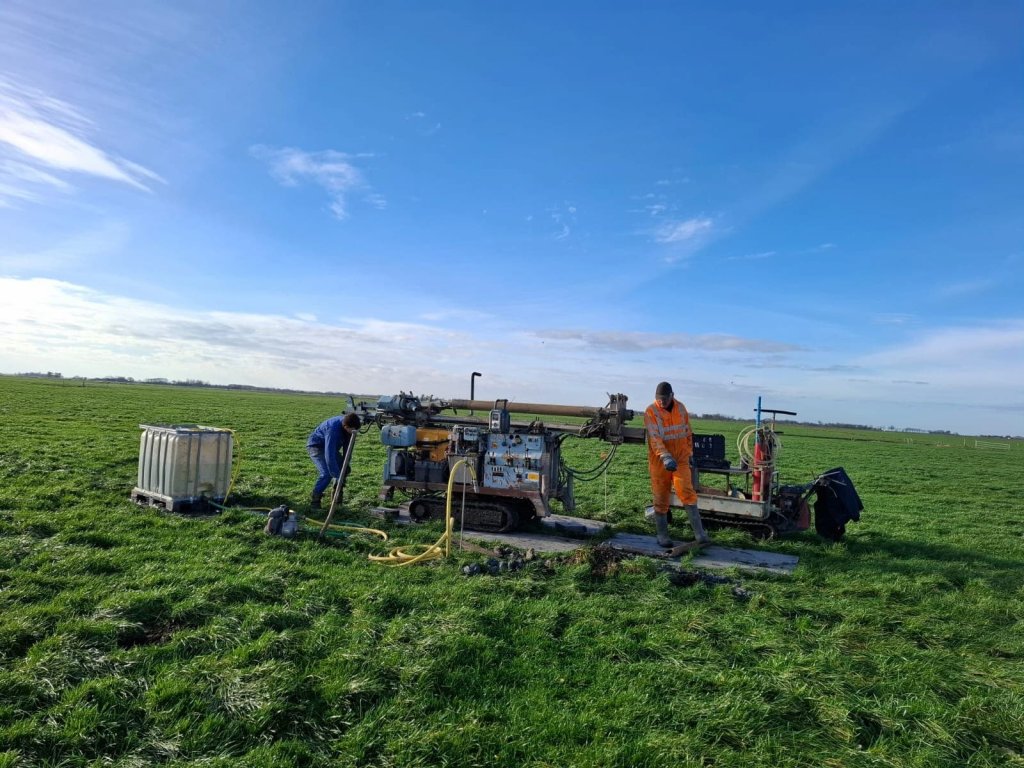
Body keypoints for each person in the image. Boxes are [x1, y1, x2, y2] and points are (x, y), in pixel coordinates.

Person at [644, 381, 710, 547]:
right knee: (660, 496)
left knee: (687, 491)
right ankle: (662, 536)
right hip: (660, 461)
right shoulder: (651, 411)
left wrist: (689, 454)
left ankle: (700, 535)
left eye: (664, 399)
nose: (662, 402)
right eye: (659, 399)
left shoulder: (681, 408)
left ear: (672, 396)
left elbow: (687, 432)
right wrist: (665, 456)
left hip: (680, 459)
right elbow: (654, 438)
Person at [307, 412, 361, 509]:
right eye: (351, 430)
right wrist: (336, 474)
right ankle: (315, 500)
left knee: (345, 469)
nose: (353, 433)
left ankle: (337, 499)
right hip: (317, 446)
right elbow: (329, 455)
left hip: (330, 449)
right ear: (345, 426)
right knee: (327, 474)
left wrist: (345, 465)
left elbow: (348, 448)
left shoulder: (350, 428)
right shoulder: (333, 430)